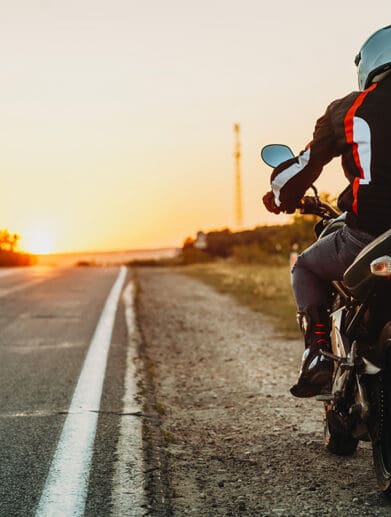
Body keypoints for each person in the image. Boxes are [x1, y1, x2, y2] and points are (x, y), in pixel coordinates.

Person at [263, 25, 391, 398]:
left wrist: (280, 197)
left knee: (305, 266)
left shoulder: (349, 109)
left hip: (367, 236)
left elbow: (301, 168)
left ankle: (318, 355)